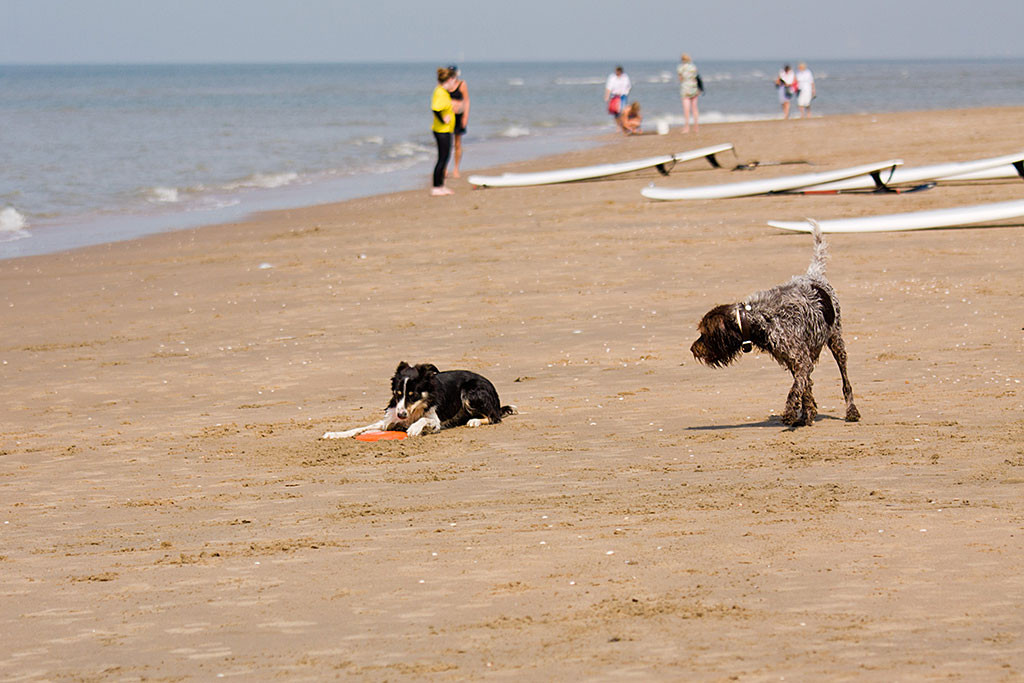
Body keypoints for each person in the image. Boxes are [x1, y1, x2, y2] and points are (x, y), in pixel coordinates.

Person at [430, 67, 457, 196]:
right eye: (454, 80)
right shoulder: (440, 92)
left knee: (445, 158)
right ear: (450, 80)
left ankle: (441, 185)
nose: (455, 83)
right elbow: (435, 109)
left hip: (446, 130)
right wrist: (442, 120)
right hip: (441, 130)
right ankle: (436, 186)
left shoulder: (444, 92)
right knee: (442, 158)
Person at [447, 65, 470, 178]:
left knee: (457, 143)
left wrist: (466, 116)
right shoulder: (444, 85)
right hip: (447, 117)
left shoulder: (462, 84)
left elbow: (466, 101)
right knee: (446, 144)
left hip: (458, 116)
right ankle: (445, 168)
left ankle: (456, 168)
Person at [676, 53, 700, 133]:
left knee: (686, 110)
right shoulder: (693, 67)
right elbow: (696, 77)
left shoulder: (681, 68)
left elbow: (680, 79)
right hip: (694, 88)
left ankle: (687, 127)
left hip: (685, 89)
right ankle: (696, 127)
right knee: (695, 108)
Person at [604, 65, 632, 129]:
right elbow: (608, 87)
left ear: (621, 71)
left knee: (622, 111)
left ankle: (623, 124)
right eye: (616, 72)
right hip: (614, 96)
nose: (617, 73)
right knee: (615, 112)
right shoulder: (612, 77)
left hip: (623, 96)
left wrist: (626, 93)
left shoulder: (625, 77)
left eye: (619, 72)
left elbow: (629, 86)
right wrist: (607, 96)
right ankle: (618, 125)